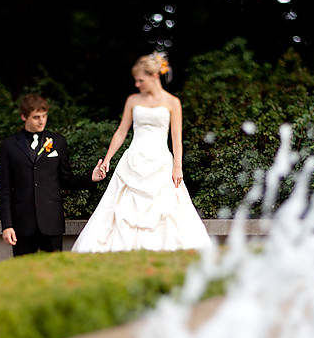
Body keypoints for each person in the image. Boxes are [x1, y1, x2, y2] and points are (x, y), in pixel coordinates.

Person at [71, 52, 211, 252]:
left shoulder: (173, 102)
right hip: (133, 159)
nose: (137, 85)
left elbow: (176, 137)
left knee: (167, 208)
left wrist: (177, 166)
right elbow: (121, 132)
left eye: (140, 80)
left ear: (154, 76)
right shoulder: (133, 100)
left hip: (161, 161)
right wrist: (108, 159)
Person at [0, 93, 107, 256]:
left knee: (54, 271)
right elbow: (5, 190)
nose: (41, 121)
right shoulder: (9, 145)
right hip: (23, 223)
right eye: (36, 117)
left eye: (44, 116)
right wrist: (7, 225)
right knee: (24, 272)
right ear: (23, 116)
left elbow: (66, 179)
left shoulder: (58, 142)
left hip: (51, 220)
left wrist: (90, 179)